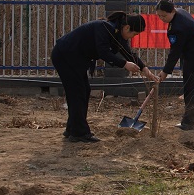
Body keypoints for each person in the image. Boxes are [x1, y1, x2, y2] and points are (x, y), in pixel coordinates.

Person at [51, 12, 157, 143]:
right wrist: (124, 64)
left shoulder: (116, 33)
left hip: (75, 59)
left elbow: (128, 53)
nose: (132, 37)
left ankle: (73, 128)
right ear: (127, 27)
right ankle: (79, 133)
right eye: (134, 34)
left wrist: (144, 69)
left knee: (83, 91)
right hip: (65, 56)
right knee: (78, 92)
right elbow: (104, 52)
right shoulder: (104, 28)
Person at [155, 0, 194, 130]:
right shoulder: (180, 13)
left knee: (190, 87)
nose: (162, 19)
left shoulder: (178, 27)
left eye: (164, 15)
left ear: (172, 11)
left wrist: (165, 71)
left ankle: (189, 121)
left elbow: (174, 52)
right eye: (159, 16)